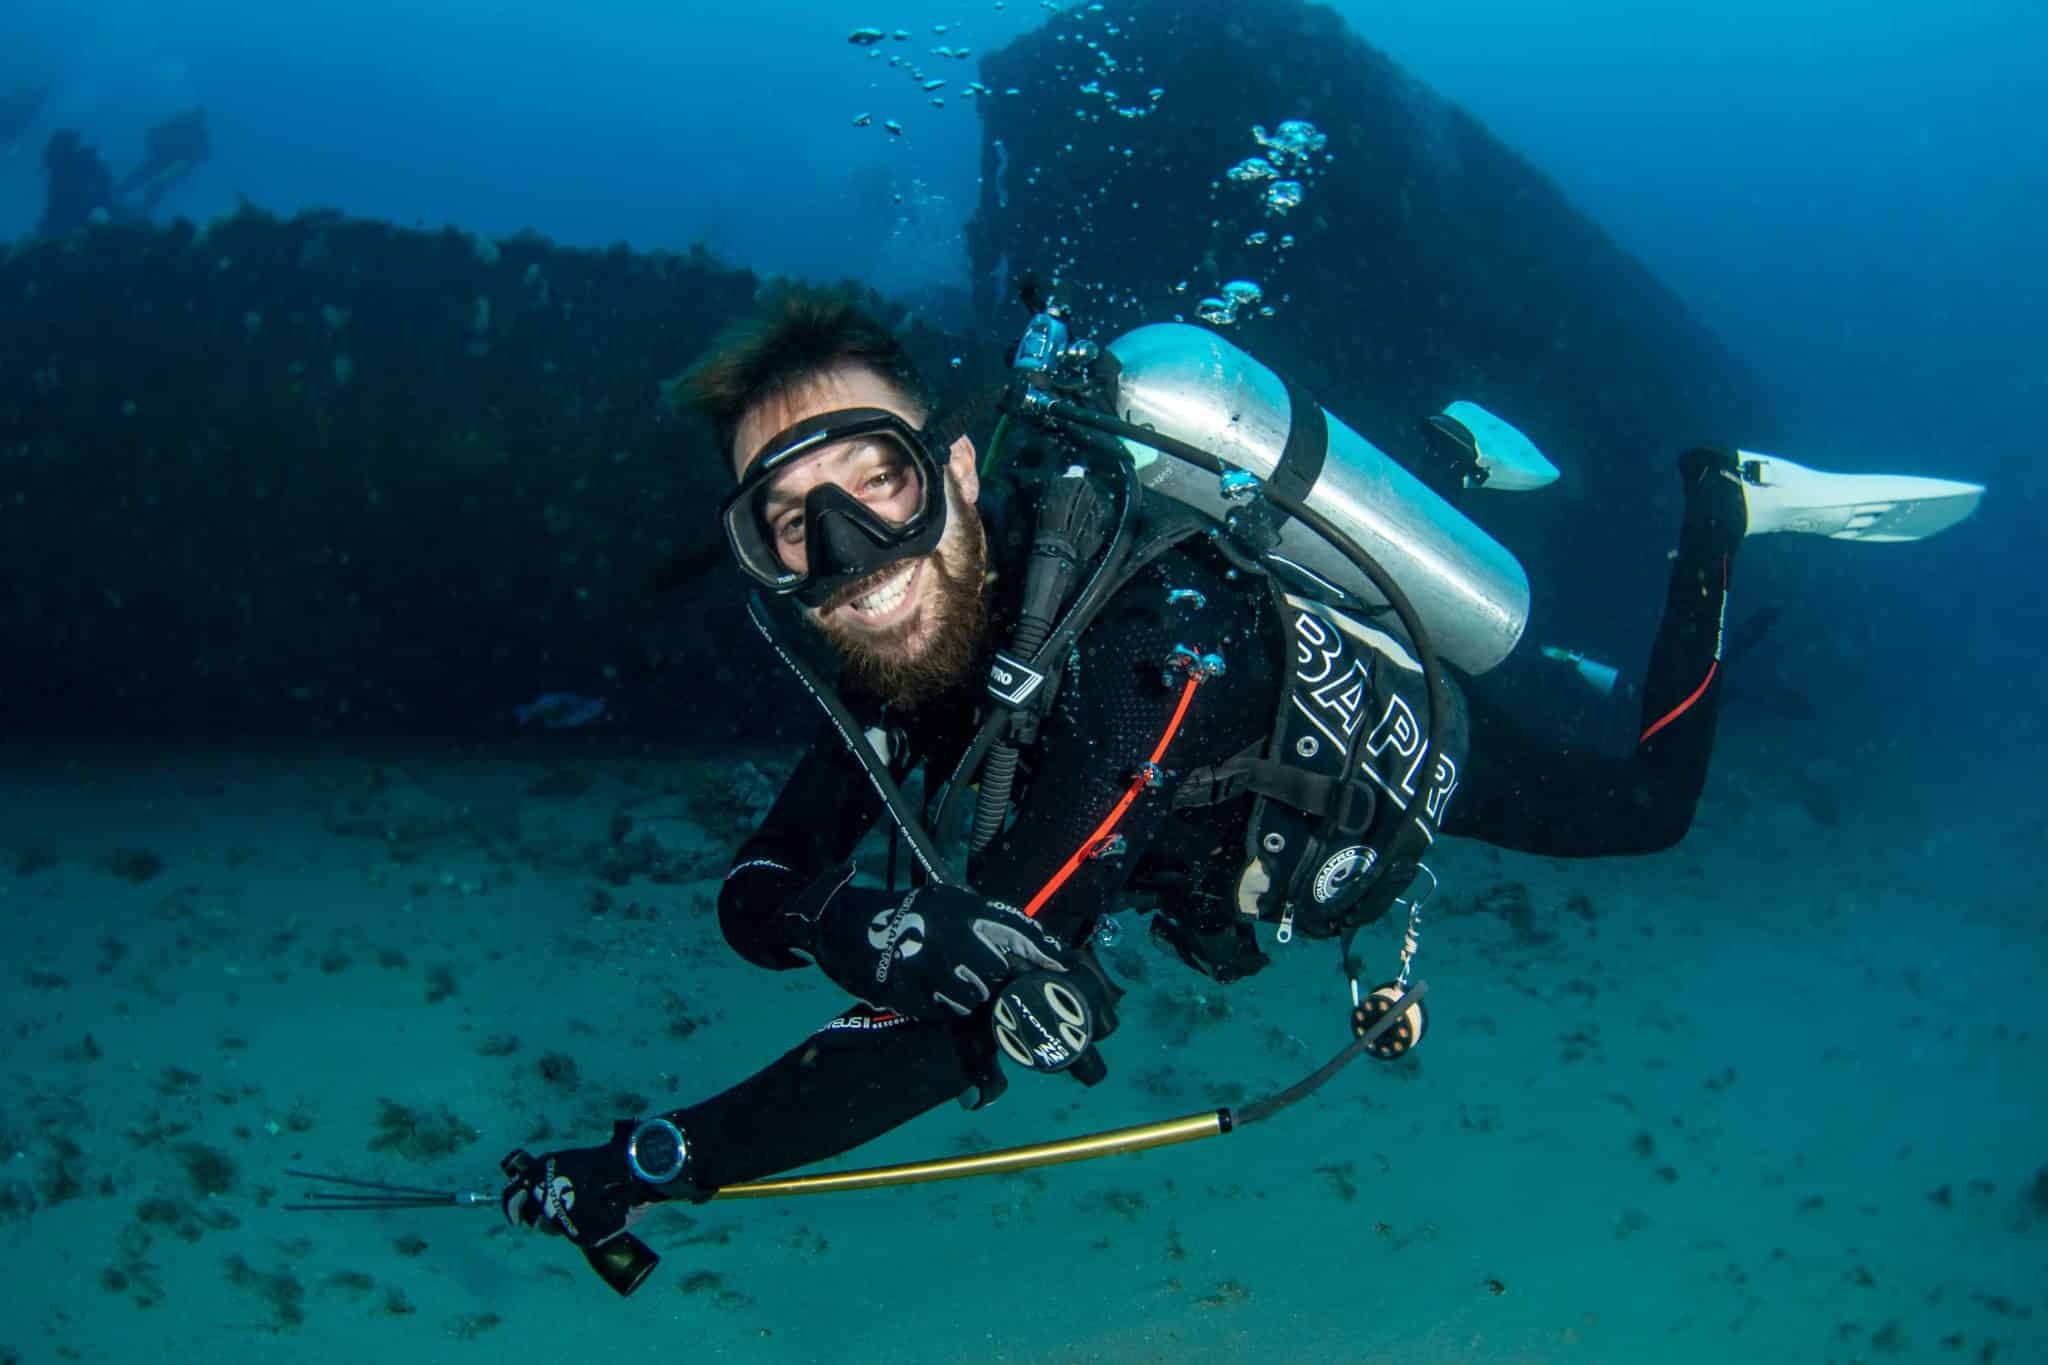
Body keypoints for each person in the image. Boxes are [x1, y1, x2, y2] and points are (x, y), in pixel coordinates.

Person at [500, 285, 1983, 1281]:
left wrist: (662, 1158)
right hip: (1224, 801)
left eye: (874, 479)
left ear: (954, 469)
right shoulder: (901, 656)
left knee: (1646, 809)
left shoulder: (1144, 658)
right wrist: (861, 926)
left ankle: (1719, 510)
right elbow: (756, 889)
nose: (845, 559)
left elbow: (962, 1016)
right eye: (785, 522)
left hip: (1374, 759)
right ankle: (1471, 471)